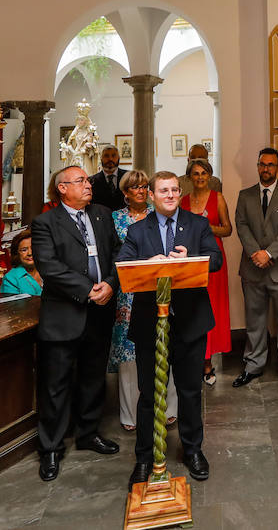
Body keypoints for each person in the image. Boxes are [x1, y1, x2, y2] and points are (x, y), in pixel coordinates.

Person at [118, 171, 223, 486]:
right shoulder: (138, 231)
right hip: (151, 325)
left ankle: (192, 451)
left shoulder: (197, 224)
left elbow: (215, 259)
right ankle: (145, 457)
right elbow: (123, 264)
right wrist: (153, 263)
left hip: (190, 323)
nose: (170, 195)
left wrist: (191, 257)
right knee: (149, 394)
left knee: (191, 391)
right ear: (151, 195)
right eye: (163, 190)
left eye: (175, 190)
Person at [28, 166, 121, 482]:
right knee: (56, 384)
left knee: (94, 377)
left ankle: (88, 432)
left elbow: (117, 253)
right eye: (81, 180)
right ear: (62, 188)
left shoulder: (103, 214)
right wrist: (87, 290)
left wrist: (109, 283)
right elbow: (49, 266)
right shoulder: (45, 223)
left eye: (88, 180)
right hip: (64, 315)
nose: (88, 184)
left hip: (101, 311)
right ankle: (51, 447)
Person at [108, 170, 176, 432]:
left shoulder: (157, 214)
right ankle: (131, 414)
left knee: (163, 347)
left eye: (144, 186)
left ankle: (168, 409)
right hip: (127, 293)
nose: (140, 191)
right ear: (125, 192)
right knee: (129, 354)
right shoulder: (115, 219)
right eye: (134, 187)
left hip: (157, 288)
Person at [232, 148, 278, 391]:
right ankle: (253, 365)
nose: (266, 169)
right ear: (257, 165)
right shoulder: (245, 195)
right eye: (262, 164)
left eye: (271, 165)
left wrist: (269, 253)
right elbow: (241, 225)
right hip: (252, 269)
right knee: (255, 321)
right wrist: (256, 254)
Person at [182, 158, 233, 386]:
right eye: (196, 173)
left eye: (204, 173)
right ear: (189, 177)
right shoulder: (182, 201)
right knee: (192, 310)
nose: (200, 177)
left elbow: (228, 229)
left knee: (212, 309)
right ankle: (194, 359)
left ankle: (208, 362)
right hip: (190, 261)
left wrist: (205, 226)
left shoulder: (218, 198)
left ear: (210, 176)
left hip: (213, 261)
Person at [0, 229, 43, 296]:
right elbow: (11, 306)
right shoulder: (10, 279)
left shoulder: (49, 269)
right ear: (17, 253)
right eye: (24, 250)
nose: (30, 253)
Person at [90, 146, 129, 213]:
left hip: (126, 219)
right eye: (106, 156)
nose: (110, 159)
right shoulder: (92, 181)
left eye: (113, 156)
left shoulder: (128, 177)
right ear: (101, 159)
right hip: (101, 219)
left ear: (118, 158)